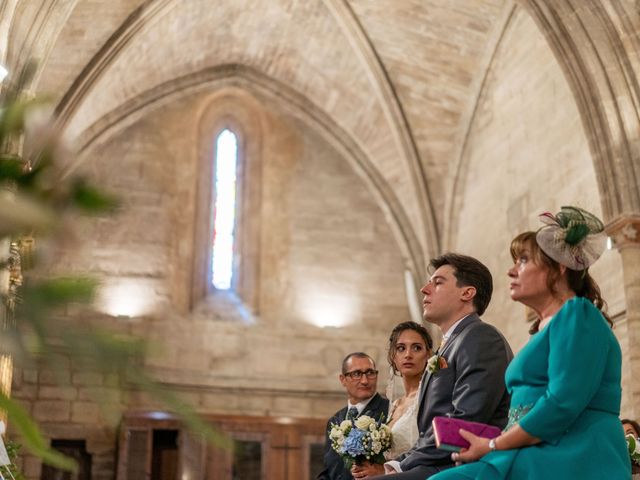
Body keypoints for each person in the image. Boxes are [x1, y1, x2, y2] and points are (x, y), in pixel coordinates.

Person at [430, 206, 630, 479]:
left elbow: (562, 403)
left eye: (523, 260)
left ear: (558, 268)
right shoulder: (548, 327)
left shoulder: (577, 315)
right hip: (535, 447)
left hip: (574, 451)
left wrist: (493, 445)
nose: (512, 271)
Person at [368, 253, 513, 480]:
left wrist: (401, 467)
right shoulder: (452, 344)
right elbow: (429, 431)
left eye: (437, 283)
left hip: (461, 466)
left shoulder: (481, 338)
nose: (425, 289)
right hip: (436, 462)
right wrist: (399, 464)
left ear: (467, 293)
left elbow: (464, 424)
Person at [350, 321, 433, 478]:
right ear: (393, 356)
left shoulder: (430, 398)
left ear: (428, 355)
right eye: (401, 348)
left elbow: (430, 448)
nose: (408, 354)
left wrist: (385, 471)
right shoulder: (395, 404)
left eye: (417, 348)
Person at [317, 352, 390, 480]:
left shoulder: (389, 411)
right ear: (343, 379)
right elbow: (329, 469)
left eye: (370, 373)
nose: (365, 381)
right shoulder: (335, 420)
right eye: (356, 374)